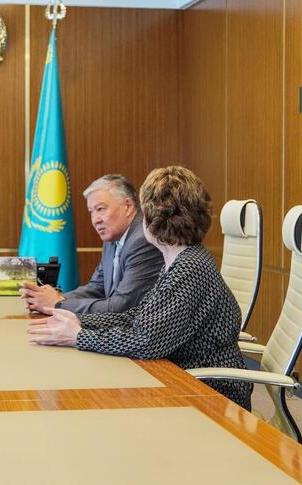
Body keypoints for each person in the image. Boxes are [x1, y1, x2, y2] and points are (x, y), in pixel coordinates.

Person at [27, 166, 252, 410]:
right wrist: (79, 320)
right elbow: (138, 317)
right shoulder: (179, 261)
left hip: (210, 395)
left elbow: (146, 341)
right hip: (184, 379)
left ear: (153, 220)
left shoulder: (189, 268)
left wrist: (79, 336)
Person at [21, 174, 162, 314]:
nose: (95, 220)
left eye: (101, 209)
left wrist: (58, 304)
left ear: (128, 206)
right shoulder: (112, 239)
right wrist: (50, 298)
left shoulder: (143, 240)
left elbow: (120, 307)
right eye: (91, 212)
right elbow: (97, 288)